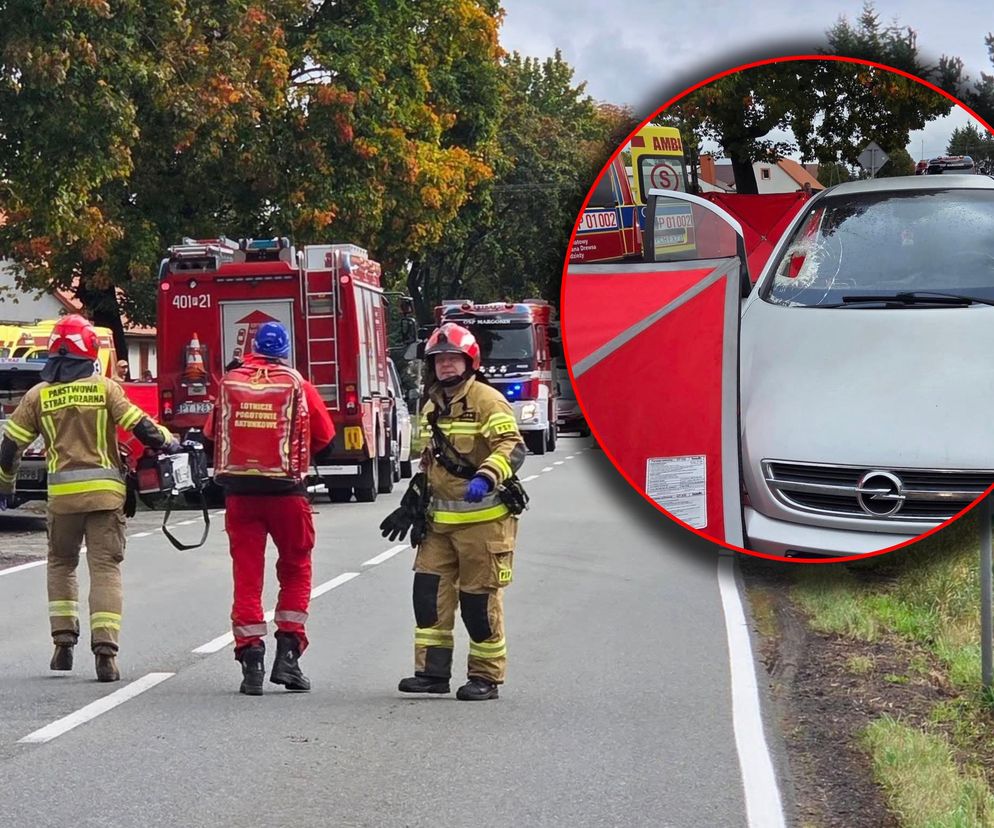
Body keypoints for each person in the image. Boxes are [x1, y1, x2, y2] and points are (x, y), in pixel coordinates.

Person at [0, 315, 175, 681]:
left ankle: (63, 643)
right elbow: (141, 428)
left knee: (61, 565)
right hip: (105, 498)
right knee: (105, 570)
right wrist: (170, 441)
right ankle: (106, 652)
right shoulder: (105, 388)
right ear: (90, 351)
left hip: (62, 501)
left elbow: (9, 447)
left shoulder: (38, 396)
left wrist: (6, 485)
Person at [203, 321, 334, 696]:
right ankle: (288, 656)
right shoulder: (298, 384)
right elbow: (325, 436)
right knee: (295, 570)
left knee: (247, 576)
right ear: (285, 350)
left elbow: (213, 433)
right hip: (288, 493)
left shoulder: (231, 382)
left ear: (252, 348)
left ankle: (251, 659)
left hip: (240, 495)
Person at [396, 322, 525, 701]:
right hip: (438, 524)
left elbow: (512, 447)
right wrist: (415, 496)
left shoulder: (487, 399)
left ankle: (485, 677)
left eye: (453, 359)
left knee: (478, 603)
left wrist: (486, 476)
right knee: (428, 595)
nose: (446, 366)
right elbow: (428, 459)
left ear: (469, 362)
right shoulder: (432, 404)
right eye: (439, 360)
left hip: (485, 523)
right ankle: (432, 674)